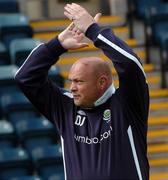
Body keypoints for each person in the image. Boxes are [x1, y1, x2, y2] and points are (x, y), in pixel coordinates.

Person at [15, 3, 149, 180]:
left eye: (79, 82)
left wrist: (93, 31)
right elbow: (25, 77)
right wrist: (58, 45)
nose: (72, 87)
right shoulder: (64, 107)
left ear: (102, 82)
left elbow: (130, 65)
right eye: (71, 81)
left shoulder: (127, 103)